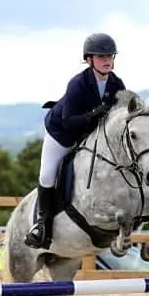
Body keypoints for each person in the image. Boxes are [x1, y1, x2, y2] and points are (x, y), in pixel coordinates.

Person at [24, 32, 127, 249]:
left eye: (110, 56)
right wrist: (94, 114)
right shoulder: (78, 84)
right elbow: (69, 121)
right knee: (48, 174)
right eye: (101, 56)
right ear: (89, 60)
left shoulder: (116, 84)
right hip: (62, 134)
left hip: (90, 136)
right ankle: (41, 225)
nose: (107, 60)